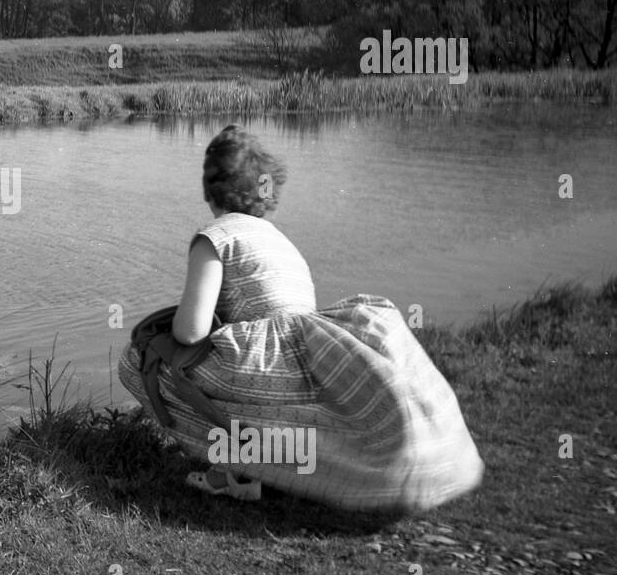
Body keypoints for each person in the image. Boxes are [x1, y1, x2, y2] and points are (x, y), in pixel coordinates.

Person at [118, 124, 484, 511]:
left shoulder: (215, 236)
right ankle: (253, 473)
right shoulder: (280, 240)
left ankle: (231, 468)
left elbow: (191, 330)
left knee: (138, 361)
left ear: (210, 189)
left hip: (260, 367)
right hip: (302, 369)